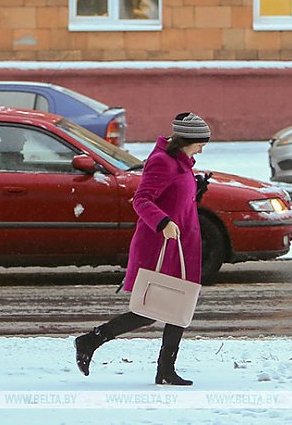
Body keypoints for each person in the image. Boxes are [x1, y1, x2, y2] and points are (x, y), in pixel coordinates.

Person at [74, 112, 211, 386]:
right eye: (201, 142)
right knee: (149, 311)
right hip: (160, 244)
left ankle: (166, 371)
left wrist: (195, 190)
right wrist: (163, 223)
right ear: (187, 140)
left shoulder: (182, 164)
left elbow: (173, 197)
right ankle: (90, 341)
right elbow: (142, 200)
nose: (203, 148)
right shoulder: (162, 162)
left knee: (180, 307)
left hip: (181, 245)